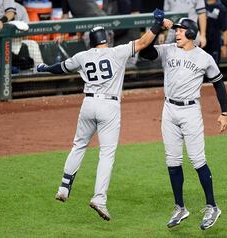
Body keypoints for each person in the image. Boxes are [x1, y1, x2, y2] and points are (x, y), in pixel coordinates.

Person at [36, 9, 173, 221]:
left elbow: (60, 68)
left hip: (88, 103)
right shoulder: (117, 52)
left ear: (91, 41)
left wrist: (44, 68)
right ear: (106, 39)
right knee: (106, 154)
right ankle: (99, 198)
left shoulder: (82, 56)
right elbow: (145, 42)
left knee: (78, 145)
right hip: (109, 107)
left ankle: (64, 187)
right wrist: (156, 23)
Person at [139, 18, 227, 230]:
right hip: (169, 110)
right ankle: (180, 207)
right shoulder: (168, 50)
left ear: (191, 33)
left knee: (197, 160)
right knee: (172, 162)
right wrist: (158, 26)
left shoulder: (204, 58)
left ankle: (212, 206)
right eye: (176, 30)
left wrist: (225, 112)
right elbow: (146, 53)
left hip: (190, 112)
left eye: (180, 31)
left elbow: (219, 84)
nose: (176, 33)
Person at [205, 0, 227, 64]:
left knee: (214, 69)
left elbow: (225, 29)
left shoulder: (221, 8)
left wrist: (225, 46)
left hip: (214, 44)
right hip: (200, 43)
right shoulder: (200, 4)